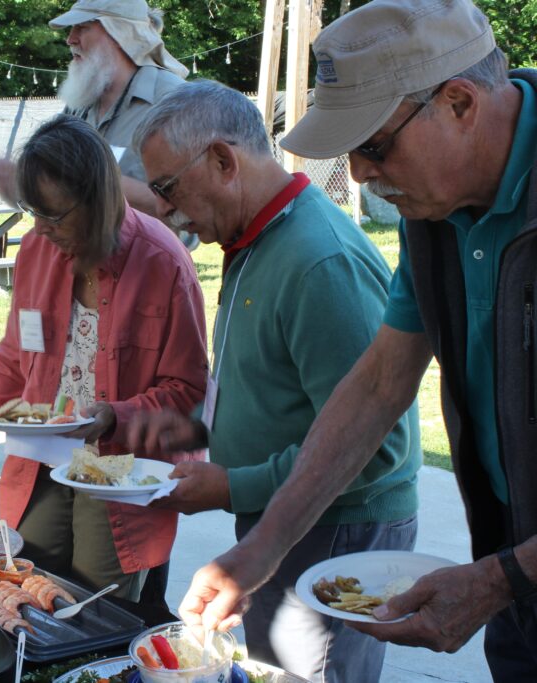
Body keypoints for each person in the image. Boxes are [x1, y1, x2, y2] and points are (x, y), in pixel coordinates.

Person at [176, 0, 537, 676]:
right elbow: (378, 382)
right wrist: (263, 548)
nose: (362, 174)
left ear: (459, 103)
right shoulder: (435, 210)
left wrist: (496, 579)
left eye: (373, 145)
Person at [129, 81, 422, 682]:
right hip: (291, 521)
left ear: (222, 161)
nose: (161, 208)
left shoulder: (319, 260)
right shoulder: (256, 236)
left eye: (166, 186)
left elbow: (379, 448)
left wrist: (234, 486)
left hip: (339, 530)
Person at [0, 114, 208, 601]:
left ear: (97, 203)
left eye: (53, 216)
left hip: (121, 470)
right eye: (32, 212)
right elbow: (14, 360)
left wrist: (113, 416)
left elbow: (188, 391)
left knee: (95, 609)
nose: (39, 229)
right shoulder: (38, 249)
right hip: (39, 463)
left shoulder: (162, 263)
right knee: (24, 588)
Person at [0, 0, 187, 219]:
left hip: (146, 253)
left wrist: (86, 181)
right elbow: (55, 192)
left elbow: (186, 214)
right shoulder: (81, 101)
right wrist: (21, 182)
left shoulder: (173, 100)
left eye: (82, 27)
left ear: (120, 35)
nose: (70, 39)